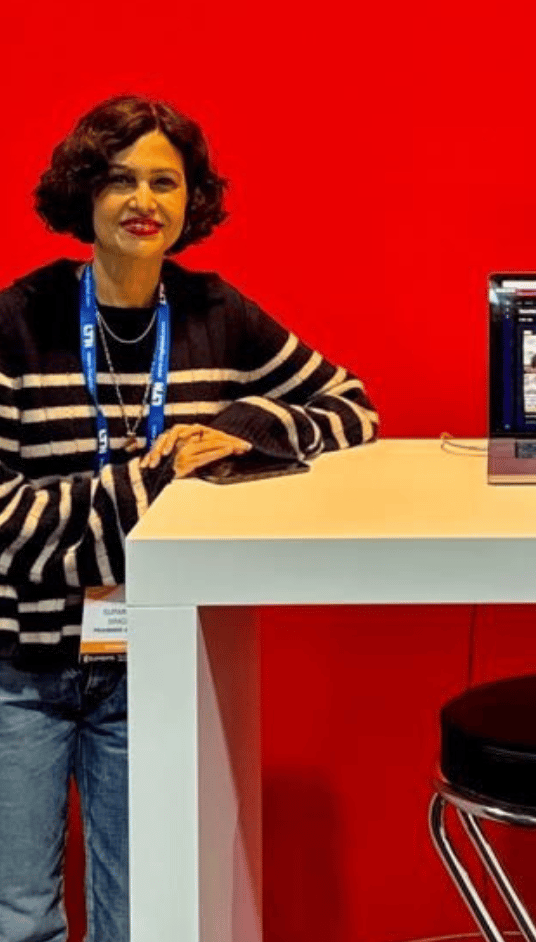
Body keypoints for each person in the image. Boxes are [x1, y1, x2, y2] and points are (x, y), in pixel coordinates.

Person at [0, 95, 379, 942]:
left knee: (143, 916)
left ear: (190, 200)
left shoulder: (213, 312)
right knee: (17, 917)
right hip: (19, 668)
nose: (144, 201)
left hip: (151, 659)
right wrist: (156, 474)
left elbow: (352, 407)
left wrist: (244, 429)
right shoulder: (17, 321)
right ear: (84, 192)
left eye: (164, 183)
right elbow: (9, 525)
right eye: (120, 180)